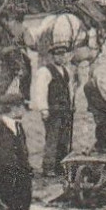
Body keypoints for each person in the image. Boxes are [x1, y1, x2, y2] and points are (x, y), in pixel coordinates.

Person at [33, 44, 77, 178]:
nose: (61, 57)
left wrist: (72, 105)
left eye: (63, 55)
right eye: (58, 55)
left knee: (64, 139)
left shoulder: (66, 71)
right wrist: (43, 109)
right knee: (52, 138)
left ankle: (61, 165)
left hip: (65, 111)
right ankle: (48, 167)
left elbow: (69, 89)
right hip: (53, 111)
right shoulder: (45, 71)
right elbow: (41, 91)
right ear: (52, 56)